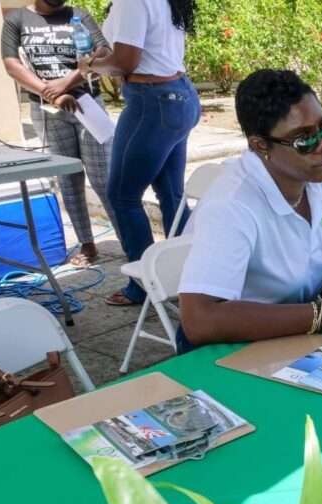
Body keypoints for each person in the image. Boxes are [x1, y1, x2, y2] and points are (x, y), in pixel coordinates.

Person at [177, 70, 322, 348]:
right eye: (303, 140)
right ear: (260, 146)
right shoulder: (231, 205)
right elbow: (200, 320)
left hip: (298, 327)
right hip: (233, 342)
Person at [77, 0, 201, 306]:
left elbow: (126, 63)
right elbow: (139, 50)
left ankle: (143, 284)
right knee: (171, 193)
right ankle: (193, 276)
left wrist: (89, 66)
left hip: (152, 102)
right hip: (179, 94)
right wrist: (108, 56)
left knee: (122, 195)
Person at [1, 0, 117, 267]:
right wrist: (49, 93)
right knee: (68, 180)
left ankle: (128, 238)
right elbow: (11, 65)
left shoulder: (78, 15)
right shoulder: (16, 20)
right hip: (47, 110)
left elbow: (103, 51)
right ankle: (87, 244)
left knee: (104, 179)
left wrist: (68, 81)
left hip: (88, 106)